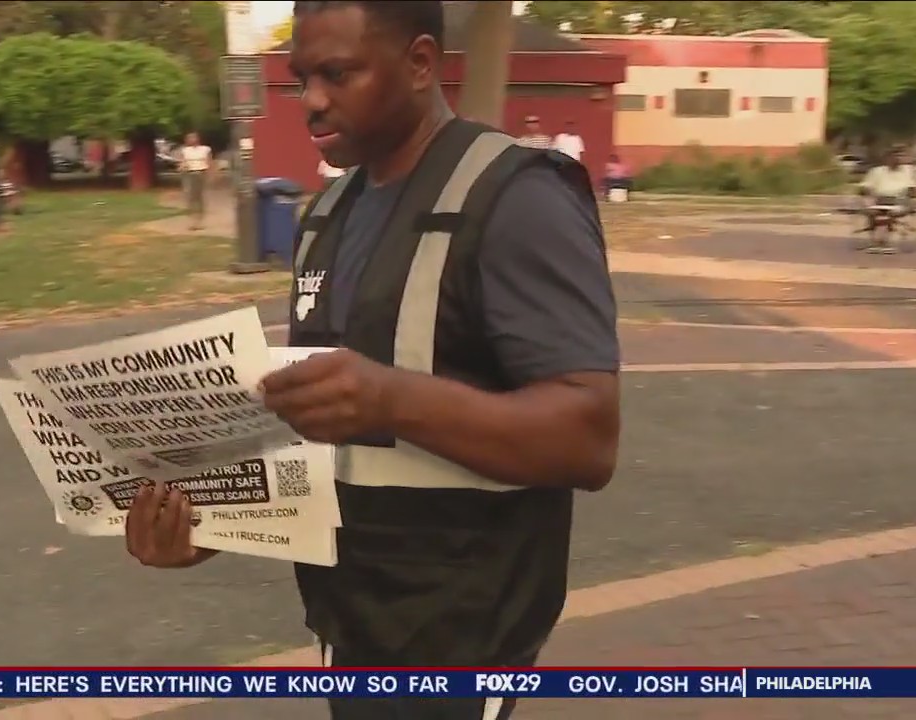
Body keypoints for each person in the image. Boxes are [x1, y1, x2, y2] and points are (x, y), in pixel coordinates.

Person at [123, 3, 621, 719]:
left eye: (338, 73)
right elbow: (316, 435)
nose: (312, 99)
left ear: (421, 63)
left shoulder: (517, 197)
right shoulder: (325, 216)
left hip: (460, 638)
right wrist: (205, 528)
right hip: (348, 624)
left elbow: (590, 436)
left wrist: (393, 401)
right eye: (301, 78)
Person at [858, 147, 915, 254]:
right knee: (873, 210)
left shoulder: (909, 172)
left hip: (900, 200)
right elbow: (865, 187)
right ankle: (877, 241)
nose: (898, 159)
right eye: (895, 156)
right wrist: (868, 196)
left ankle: (888, 241)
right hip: (879, 200)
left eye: (901, 156)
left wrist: (909, 195)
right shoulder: (876, 171)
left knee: (893, 212)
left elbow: (912, 190)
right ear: (888, 158)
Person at [177, 132, 212, 230]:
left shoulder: (205, 149)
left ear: (198, 139)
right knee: (190, 197)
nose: (191, 140)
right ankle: (192, 221)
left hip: (201, 173)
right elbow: (182, 162)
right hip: (189, 174)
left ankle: (200, 221)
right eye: (189, 138)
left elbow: (209, 162)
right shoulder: (185, 151)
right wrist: (181, 167)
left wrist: (211, 175)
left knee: (200, 197)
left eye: (193, 137)